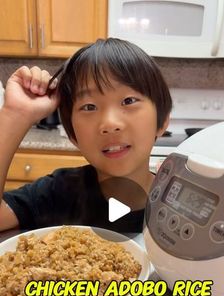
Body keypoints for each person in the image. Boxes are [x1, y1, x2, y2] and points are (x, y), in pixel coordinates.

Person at [0, 38, 172, 233]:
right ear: (73, 135)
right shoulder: (60, 192)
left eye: (128, 100)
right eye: (89, 106)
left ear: (163, 120)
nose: (110, 124)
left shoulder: (183, 206)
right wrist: (15, 114)